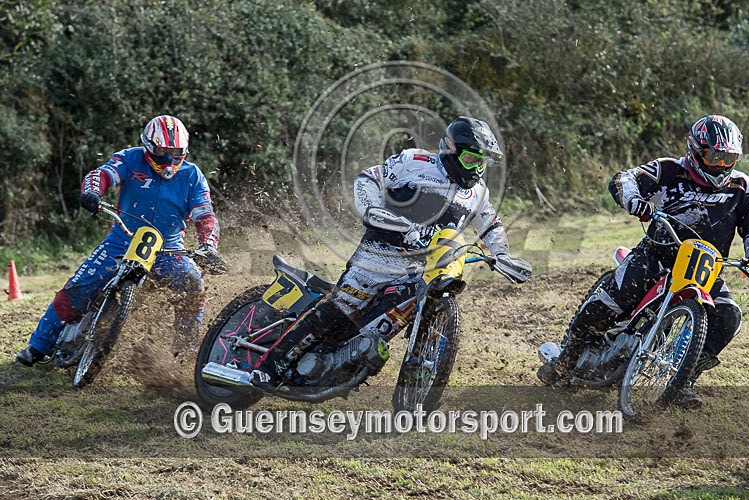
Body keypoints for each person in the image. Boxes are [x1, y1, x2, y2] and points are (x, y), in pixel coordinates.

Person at [250, 116, 531, 387]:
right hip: (379, 253)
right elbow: (368, 179)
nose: (476, 167)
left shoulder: (478, 193)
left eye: (481, 161)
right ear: (450, 149)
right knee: (341, 308)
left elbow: (491, 224)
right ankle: (267, 366)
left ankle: (353, 363)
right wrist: (372, 210)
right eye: (471, 158)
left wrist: (501, 254)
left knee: (392, 318)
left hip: (423, 267)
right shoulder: (415, 162)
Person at [537, 114, 749, 407]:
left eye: (729, 158)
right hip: (657, 255)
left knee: (729, 317)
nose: (723, 165)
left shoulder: (744, 188)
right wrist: (635, 201)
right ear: (697, 150)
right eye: (715, 156)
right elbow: (625, 180)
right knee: (612, 299)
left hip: (705, 269)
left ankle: (683, 380)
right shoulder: (669, 170)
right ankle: (566, 358)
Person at [17, 114, 223, 366]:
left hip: (169, 249)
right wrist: (92, 192)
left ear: (185, 151)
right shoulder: (130, 157)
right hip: (123, 238)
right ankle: (38, 346)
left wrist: (208, 246)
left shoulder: (193, 175)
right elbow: (103, 174)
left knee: (193, 284)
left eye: (175, 152)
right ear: (147, 146)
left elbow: (205, 214)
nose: (168, 159)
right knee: (77, 288)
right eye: (161, 152)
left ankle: (186, 355)